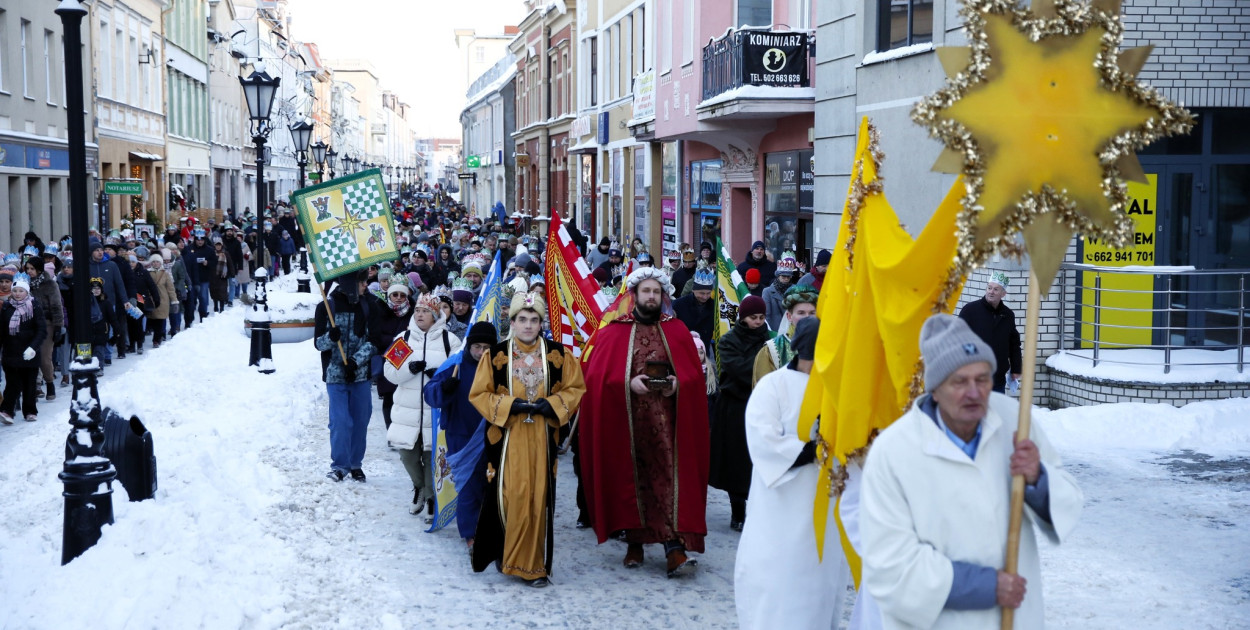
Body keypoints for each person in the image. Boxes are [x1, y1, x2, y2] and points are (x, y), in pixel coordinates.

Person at [861, 314, 1082, 629]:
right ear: (934, 389)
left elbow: (1069, 500)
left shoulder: (1013, 422)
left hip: (1016, 619)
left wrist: (1037, 478)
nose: (975, 392)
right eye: (959, 382)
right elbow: (890, 564)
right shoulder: (893, 453)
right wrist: (985, 586)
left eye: (982, 379)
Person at [579, 268, 709, 578]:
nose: (650, 296)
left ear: (663, 297)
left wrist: (678, 385)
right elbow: (595, 378)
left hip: (670, 426)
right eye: (645, 291)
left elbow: (693, 375)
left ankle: (673, 547)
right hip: (627, 424)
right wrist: (627, 383)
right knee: (631, 479)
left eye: (655, 292)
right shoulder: (613, 331)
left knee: (668, 482)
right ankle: (634, 541)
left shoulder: (678, 330)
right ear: (634, 295)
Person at [735, 317, 852, 629]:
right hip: (779, 507)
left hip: (823, 506)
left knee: (819, 582)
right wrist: (812, 450)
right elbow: (762, 438)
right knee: (775, 582)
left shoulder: (837, 390)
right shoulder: (773, 387)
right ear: (802, 352)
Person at [467, 292, 586, 588]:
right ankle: (507, 554)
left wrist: (555, 403)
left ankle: (532, 566)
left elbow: (575, 388)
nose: (529, 325)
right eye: (523, 319)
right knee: (512, 495)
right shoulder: (495, 356)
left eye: (534, 320)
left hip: (543, 437)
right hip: (509, 438)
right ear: (513, 321)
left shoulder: (559, 355)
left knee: (538, 499)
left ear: (541, 322)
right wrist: (509, 406)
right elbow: (479, 394)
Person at [384, 292, 463, 515]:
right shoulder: (404, 338)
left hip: (434, 411)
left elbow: (458, 374)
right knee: (407, 455)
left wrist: (441, 377)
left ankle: (430, 498)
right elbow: (389, 373)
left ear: (435, 315)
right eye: (417, 310)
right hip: (406, 411)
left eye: (425, 311)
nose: (420, 314)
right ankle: (419, 487)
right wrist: (408, 370)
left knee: (431, 457)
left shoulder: (450, 341)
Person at [423, 321, 498, 548]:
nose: (481, 352)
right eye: (477, 346)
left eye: (486, 347)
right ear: (469, 346)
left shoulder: (500, 365)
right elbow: (430, 393)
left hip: (493, 434)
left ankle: (494, 529)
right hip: (461, 435)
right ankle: (471, 535)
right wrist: (444, 388)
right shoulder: (455, 364)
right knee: (468, 485)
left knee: (492, 484)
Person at [710, 294, 771, 531]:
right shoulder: (728, 341)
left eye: (761, 317)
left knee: (758, 461)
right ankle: (738, 512)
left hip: (762, 405)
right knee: (735, 462)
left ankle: (758, 510)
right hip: (735, 406)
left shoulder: (770, 340)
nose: (758, 322)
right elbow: (740, 370)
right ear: (743, 318)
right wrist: (764, 367)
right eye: (753, 317)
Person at [314, 273, 378, 482]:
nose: (365, 285)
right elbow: (318, 344)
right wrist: (330, 338)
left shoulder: (369, 305)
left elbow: (373, 341)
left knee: (360, 420)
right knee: (341, 422)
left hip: (360, 375)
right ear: (349, 284)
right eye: (361, 282)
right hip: (335, 375)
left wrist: (355, 361)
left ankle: (355, 463)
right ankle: (340, 465)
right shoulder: (326, 306)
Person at [958, 270, 1023, 393]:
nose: (991, 292)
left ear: (1003, 294)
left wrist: (1016, 368)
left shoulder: (1007, 315)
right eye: (989, 288)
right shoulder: (970, 311)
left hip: (997, 379)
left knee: (995, 411)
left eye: (996, 289)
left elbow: (1014, 344)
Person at [0, 274, 47, 423]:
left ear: (27, 292)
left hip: (29, 352)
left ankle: (30, 411)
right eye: (15, 291)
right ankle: (7, 411)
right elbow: (1, 330)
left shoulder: (34, 306)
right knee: (12, 383)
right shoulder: (7, 307)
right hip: (11, 351)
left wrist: (33, 347)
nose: (17, 294)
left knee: (29, 384)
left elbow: (41, 330)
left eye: (21, 291)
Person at [752, 285, 819, 387]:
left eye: (812, 313)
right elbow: (764, 392)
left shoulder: (827, 347)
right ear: (789, 316)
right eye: (801, 313)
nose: (807, 318)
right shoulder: (772, 350)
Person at [372, 276, 413, 430]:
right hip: (387, 359)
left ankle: (403, 428)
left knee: (405, 397)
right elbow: (375, 335)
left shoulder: (414, 311)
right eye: (395, 295)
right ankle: (391, 429)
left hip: (407, 360)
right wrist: (398, 339)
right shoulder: (378, 310)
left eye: (402, 295)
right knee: (389, 396)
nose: (398, 298)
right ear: (389, 295)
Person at [23, 259, 62, 401]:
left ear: (39, 269)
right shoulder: (25, 284)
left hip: (47, 323)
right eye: (27, 268)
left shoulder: (50, 284)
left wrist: (58, 326)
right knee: (30, 355)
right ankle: (35, 385)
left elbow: (56, 306)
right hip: (29, 324)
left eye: (32, 268)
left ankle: (50, 383)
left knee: (44, 357)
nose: (29, 271)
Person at [672, 263, 716, 354]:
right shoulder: (678, 305)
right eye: (701, 293)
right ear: (693, 290)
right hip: (683, 351)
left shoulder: (714, 306)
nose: (705, 297)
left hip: (704, 352)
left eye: (708, 293)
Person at [145, 254, 175, 349]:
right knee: (152, 319)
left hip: (163, 300)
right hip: (151, 299)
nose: (155, 263)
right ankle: (158, 336)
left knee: (160, 320)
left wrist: (174, 300)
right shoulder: (147, 273)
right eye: (153, 261)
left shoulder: (165, 274)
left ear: (160, 263)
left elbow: (170, 288)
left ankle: (156, 340)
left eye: (157, 261)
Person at [761, 254, 798, 331]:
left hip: (792, 329)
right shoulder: (767, 292)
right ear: (778, 276)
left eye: (788, 277)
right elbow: (766, 314)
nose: (786, 279)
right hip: (775, 331)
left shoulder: (796, 289)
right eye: (783, 276)